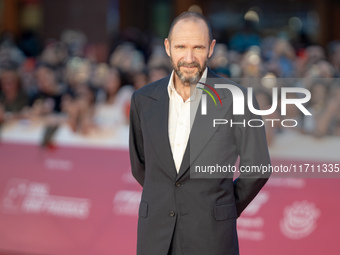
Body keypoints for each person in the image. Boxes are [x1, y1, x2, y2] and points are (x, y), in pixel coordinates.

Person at [129, 12, 271, 255]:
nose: (189, 57)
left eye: (198, 47)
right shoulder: (143, 99)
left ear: (211, 48)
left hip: (212, 237)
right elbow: (140, 164)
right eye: (181, 46)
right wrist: (171, 198)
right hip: (155, 236)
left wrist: (221, 206)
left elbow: (257, 168)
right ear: (167, 47)